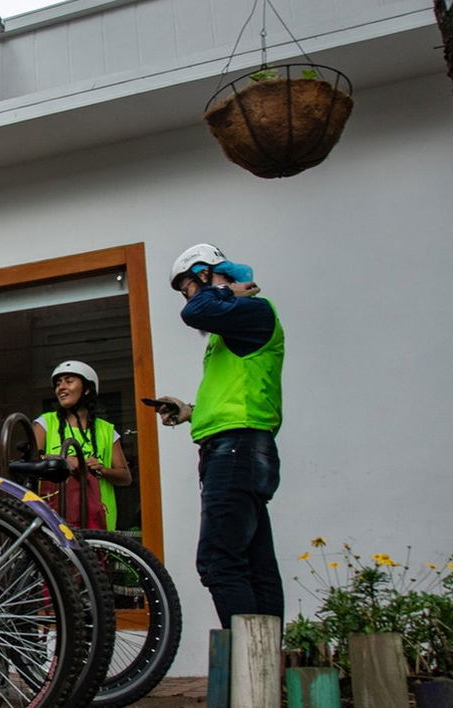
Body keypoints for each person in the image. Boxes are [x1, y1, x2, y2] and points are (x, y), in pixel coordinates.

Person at [156, 243, 284, 628]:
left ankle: (249, 673)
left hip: (236, 449)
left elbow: (197, 310)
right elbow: (237, 390)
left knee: (218, 561)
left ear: (207, 273)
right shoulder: (232, 330)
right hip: (236, 447)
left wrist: (223, 289)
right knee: (254, 564)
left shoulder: (255, 310)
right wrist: (190, 412)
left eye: (188, 285)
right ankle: (263, 673)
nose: (187, 297)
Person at [33, 360, 132, 530]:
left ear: (87, 389)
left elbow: (125, 478)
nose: (61, 388)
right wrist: (63, 460)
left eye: (68, 381)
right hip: (55, 515)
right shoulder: (46, 423)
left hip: (98, 517)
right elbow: (30, 461)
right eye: (58, 384)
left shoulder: (106, 430)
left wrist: (101, 469)